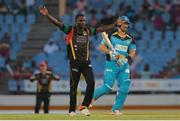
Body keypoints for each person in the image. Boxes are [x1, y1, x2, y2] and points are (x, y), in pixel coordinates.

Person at [39, 6, 116, 116]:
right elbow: (57, 23)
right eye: (81, 20)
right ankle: (71, 110)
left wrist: (114, 25)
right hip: (74, 63)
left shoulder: (88, 31)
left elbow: (100, 29)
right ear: (76, 21)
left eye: (84, 20)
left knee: (91, 83)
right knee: (73, 87)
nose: (83, 22)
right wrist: (47, 15)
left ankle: (84, 106)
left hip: (86, 63)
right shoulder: (70, 30)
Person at [91, 16, 136, 115]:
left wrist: (127, 59)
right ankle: (90, 99)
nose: (126, 25)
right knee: (107, 87)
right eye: (124, 23)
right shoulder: (111, 35)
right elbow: (102, 47)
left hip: (123, 65)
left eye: (127, 24)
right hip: (111, 64)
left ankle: (116, 109)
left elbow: (133, 51)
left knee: (125, 86)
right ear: (119, 24)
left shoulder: (130, 38)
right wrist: (110, 53)